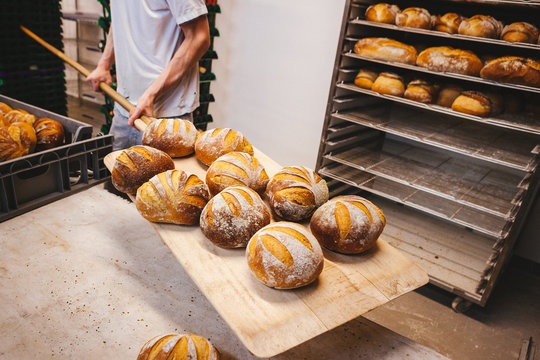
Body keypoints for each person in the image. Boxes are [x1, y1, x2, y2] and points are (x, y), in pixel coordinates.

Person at [86, 0, 210, 150]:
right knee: (114, 172)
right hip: (123, 108)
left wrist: (151, 94)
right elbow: (122, 17)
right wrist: (104, 64)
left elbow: (199, 37)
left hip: (165, 116)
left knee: (161, 174)